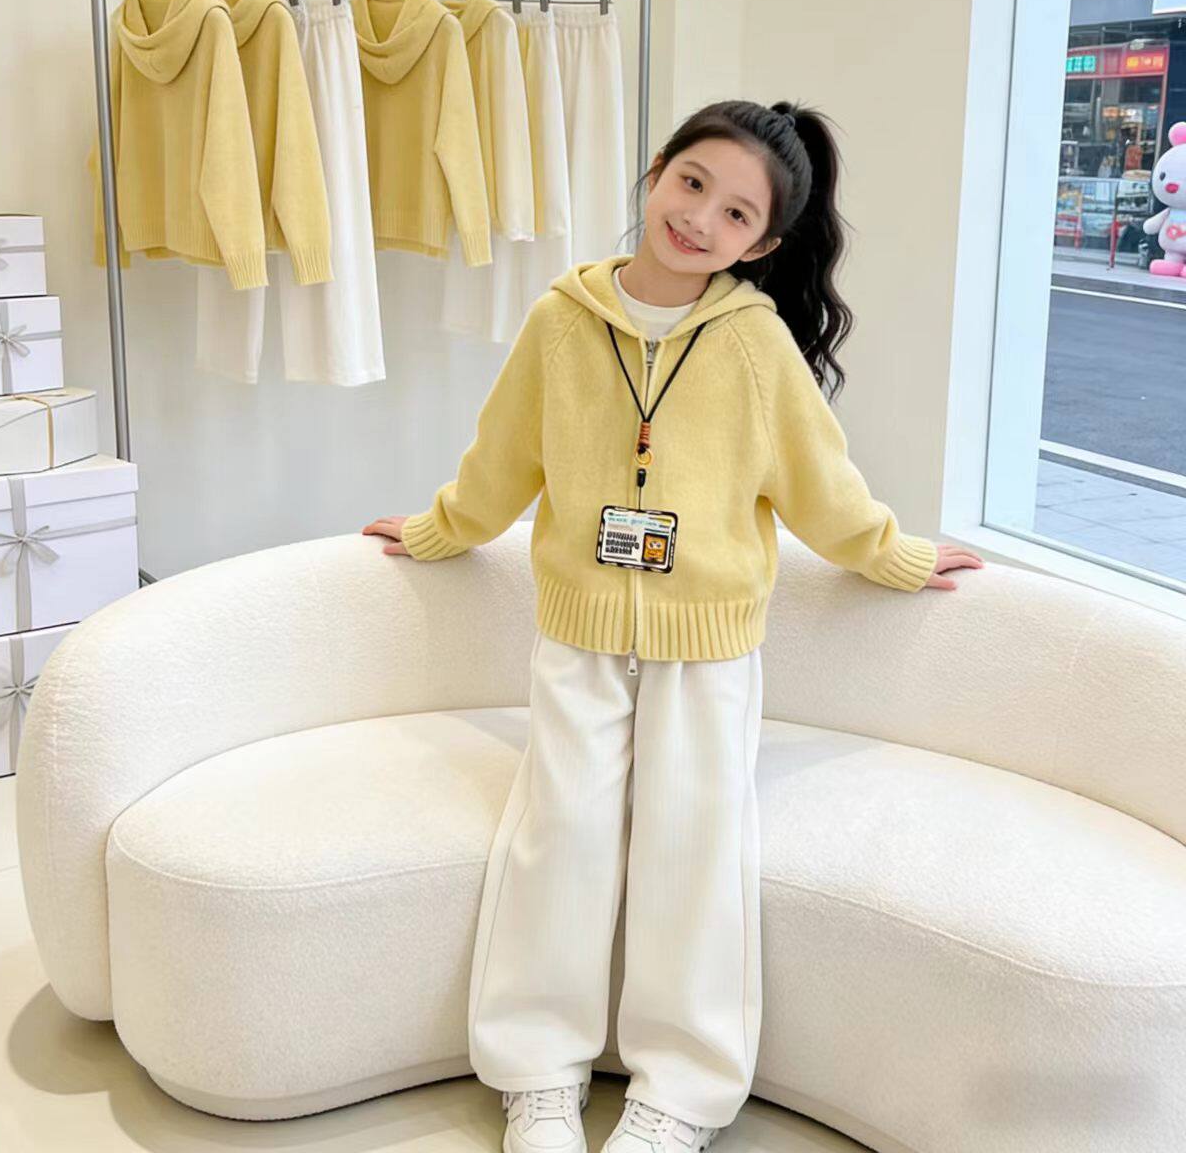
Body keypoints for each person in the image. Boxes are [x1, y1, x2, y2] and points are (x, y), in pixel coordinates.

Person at [363, 98, 984, 1153]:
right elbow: (501, 459)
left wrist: (894, 555)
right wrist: (438, 530)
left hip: (709, 648)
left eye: (736, 212)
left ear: (763, 244)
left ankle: (680, 1093)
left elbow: (821, 484)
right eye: (691, 183)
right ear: (655, 172)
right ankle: (537, 1076)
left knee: (692, 854)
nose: (699, 218)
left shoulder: (754, 345)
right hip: (578, 631)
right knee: (558, 839)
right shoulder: (560, 321)